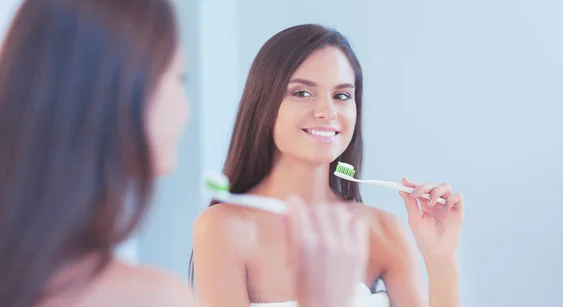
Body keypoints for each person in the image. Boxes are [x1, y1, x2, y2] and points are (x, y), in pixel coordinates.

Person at [0, 1, 369, 307]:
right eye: (177, 79)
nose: (184, 106)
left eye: (342, 95)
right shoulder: (149, 296)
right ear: (118, 93)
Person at [191, 24, 464, 307]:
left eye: (341, 96)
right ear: (264, 103)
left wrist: (442, 260)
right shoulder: (222, 228)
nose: (327, 111)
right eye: (302, 93)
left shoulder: (383, 230)